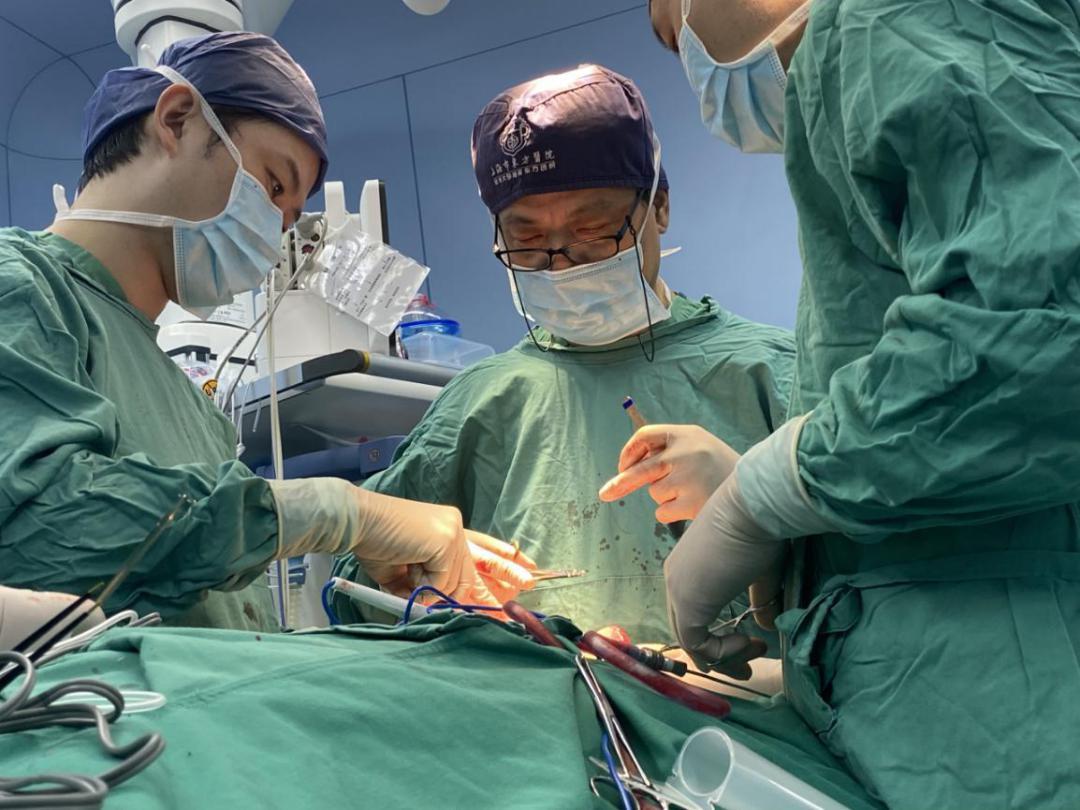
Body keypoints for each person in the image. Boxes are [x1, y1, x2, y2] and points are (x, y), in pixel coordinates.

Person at [628, 0, 1080, 807]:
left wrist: (767, 492)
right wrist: (814, 569)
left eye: (674, 28)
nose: (690, 58)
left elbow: (1034, 336)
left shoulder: (897, 19)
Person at [0, 32, 527, 633]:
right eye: (274, 186)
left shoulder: (188, 404)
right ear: (176, 119)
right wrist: (339, 513)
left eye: (289, 218)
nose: (274, 236)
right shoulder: (19, 287)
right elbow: (38, 528)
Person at [333, 64, 794, 656]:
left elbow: (871, 570)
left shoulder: (770, 372)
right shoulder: (479, 403)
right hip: (541, 710)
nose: (562, 263)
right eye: (526, 241)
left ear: (659, 207)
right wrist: (416, 578)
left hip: (742, 710)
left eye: (594, 230)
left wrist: (754, 502)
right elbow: (359, 588)